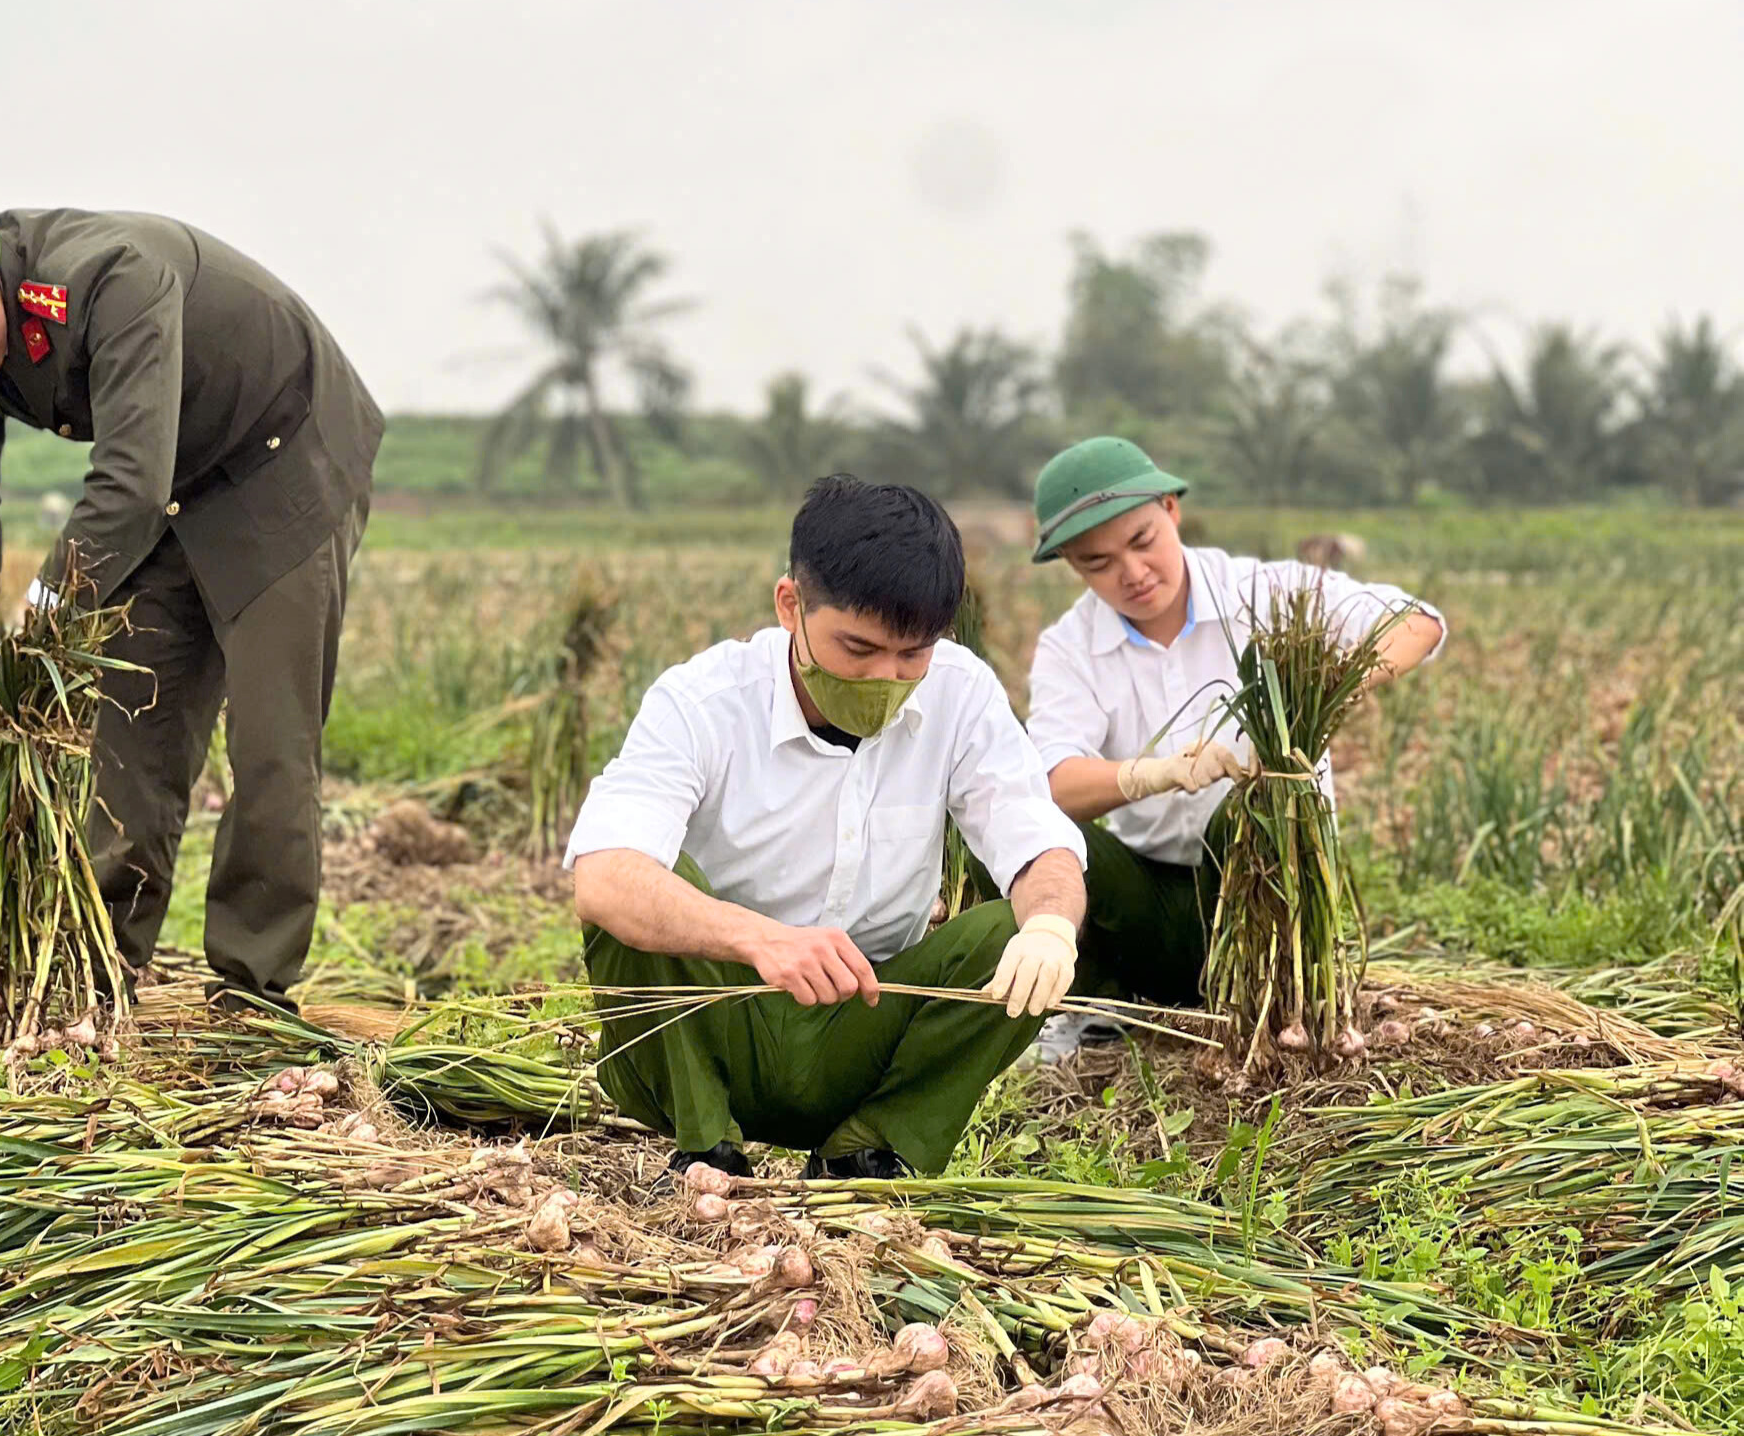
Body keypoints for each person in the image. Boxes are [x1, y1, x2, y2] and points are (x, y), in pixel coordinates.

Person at [0, 211, 385, 1012]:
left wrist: (37, 616)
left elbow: (127, 484)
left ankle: (252, 994)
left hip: (281, 455)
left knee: (270, 741)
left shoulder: (111, 280)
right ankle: (98, 963)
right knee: (133, 723)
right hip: (171, 478)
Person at [566, 476, 1089, 1180]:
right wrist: (761, 940)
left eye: (912, 654)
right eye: (858, 649)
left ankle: (868, 1149)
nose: (886, 677)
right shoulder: (703, 701)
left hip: (864, 1029)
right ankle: (706, 1148)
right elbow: (603, 876)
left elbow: (1037, 841)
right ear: (791, 605)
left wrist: (1051, 928)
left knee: (1010, 932)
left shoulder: (960, 691)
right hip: (717, 1021)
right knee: (645, 885)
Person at [1024, 436, 1445, 1059]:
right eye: (1098, 562)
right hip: (1152, 900)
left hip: (1267, 891)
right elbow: (1051, 784)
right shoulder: (1070, 648)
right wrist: (1150, 775)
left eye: (1142, 541)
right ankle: (1097, 1002)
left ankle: (1280, 1001)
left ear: (1171, 510)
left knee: (1249, 807)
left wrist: (1332, 686)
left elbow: (1418, 622)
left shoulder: (1264, 592)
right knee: (1027, 838)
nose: (1132, 573)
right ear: (1070, 564)